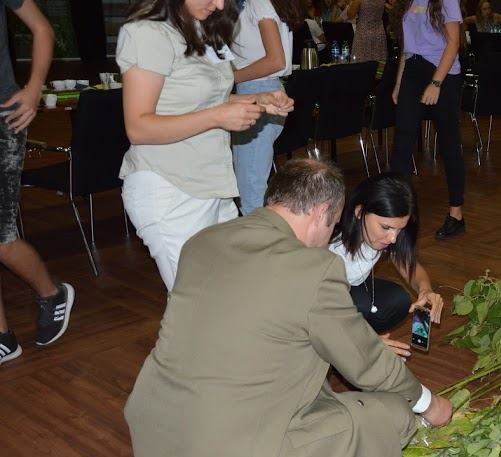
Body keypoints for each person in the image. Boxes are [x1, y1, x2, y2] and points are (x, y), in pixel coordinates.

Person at [124, 158, 454, 457]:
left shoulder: (203, 241)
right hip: (235, 449)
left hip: (163, 440)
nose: (332, 233)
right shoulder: (314, 268)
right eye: (333, 225)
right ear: (320, 213)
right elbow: (367, 364)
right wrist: (428, 403)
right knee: (391, 414)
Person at [117, 0, 294, 291]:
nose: (220, 4)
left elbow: (202, 100)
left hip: (212, 187)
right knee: (200, 310)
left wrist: (256, 100)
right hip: (170, 190)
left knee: (230, 300)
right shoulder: (146, 32)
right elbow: (138, 127)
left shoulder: (198, 28)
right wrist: (216, 117)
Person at [0, 0, 74, 364]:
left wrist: (33, 90)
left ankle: (52, 293)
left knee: (1, 239)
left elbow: (43, 29)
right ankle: (2, 338)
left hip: (3, 119)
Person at [329, 173, 443, 354]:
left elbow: (409, 266)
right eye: (386, 227)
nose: (392, 238)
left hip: (353, 289)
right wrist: (363, 342)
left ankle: (355, 346)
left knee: (398, 300)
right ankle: (342, 353)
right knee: (361, 306)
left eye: (400, 229)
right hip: (323, 302)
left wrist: (425, 289)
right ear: (359, 212)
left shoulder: (384, 235)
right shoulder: (330, 247)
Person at [390, 0, 466, 240]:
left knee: (449, 143)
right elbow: (407, 47)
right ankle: (398, 213)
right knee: (402, 141)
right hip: (413, 69)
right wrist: (399, 83)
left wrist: (436, 83)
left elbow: (454, 42)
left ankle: (456, 214)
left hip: (442, 73)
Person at [232, 0, 304, 215]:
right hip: (263, 89)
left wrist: (226, 78)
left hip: (257, 90)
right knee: (252, 184)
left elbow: (276, 61)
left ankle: (261, 244)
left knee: (251, 190)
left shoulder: (258, 3)